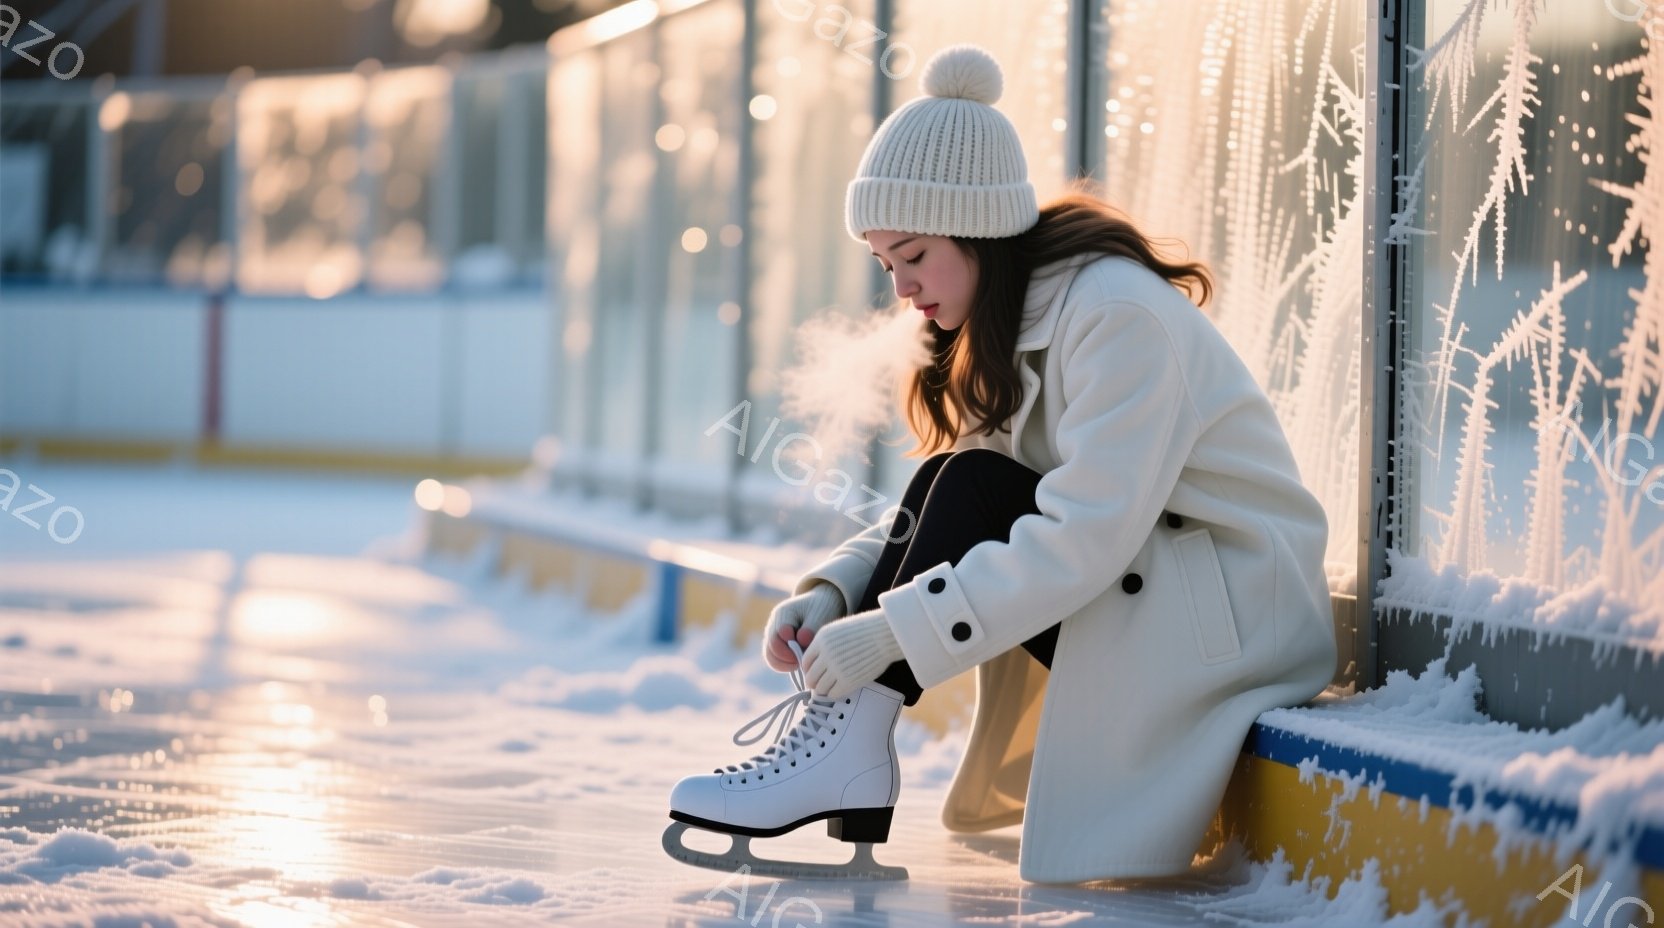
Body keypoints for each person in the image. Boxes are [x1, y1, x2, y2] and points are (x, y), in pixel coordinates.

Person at [667, 43, 1337, 885]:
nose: (902, 288)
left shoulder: (1117, 317)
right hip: (1162, 586)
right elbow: (954, 500)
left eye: (914, 255)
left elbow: (1087, 531)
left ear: (979, 227)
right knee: (964, 474)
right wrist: (835, 594)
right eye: (887, 265)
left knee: (975, 483)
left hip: (1234, 618)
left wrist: (888, 634)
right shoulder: (1018, 323)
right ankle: (848, 746)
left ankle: (844, 745)